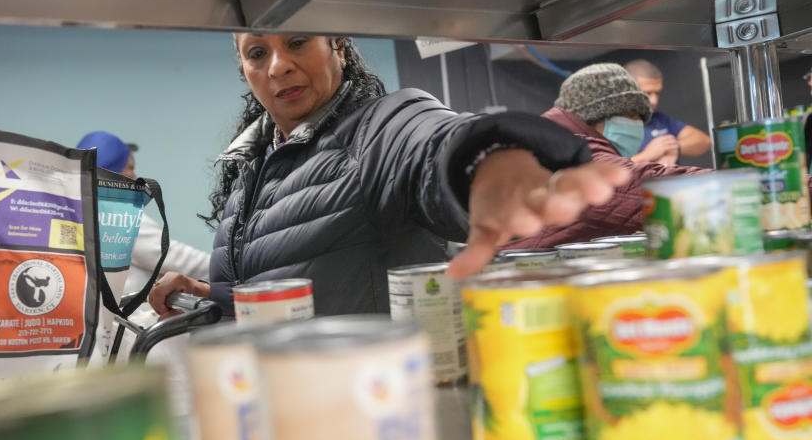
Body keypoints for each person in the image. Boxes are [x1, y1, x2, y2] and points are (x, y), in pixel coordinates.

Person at [148, 34, 628, 318]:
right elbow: (293, 282)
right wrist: (211, 294)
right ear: (243, 67)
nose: (278, 65)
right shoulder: (255, 166)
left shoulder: (380, 127)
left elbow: (429, 146)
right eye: (257, 53)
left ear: (336, 43)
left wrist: (483, 163)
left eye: (296, 41)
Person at [502, 63, 706, 249]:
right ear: (596, 115)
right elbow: (638, 188)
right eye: (632, 116)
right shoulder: (566, 153)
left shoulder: (553, 141)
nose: (638, 126)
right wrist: (733, 183)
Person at [75, 130, 211, 292]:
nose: (134, 175)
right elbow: (179, 261)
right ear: (111, 173)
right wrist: (229, 267)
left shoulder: (74, 212)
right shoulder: (117, 215)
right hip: (131, 315)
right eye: (130, 168)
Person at [624, 59, 712, 164]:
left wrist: (672, 148)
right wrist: (646, 156)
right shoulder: (607, 128)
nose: (654, 100)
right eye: (647, 93)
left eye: (657, 93)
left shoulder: (660, 119)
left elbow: (705, 141)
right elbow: (606, 171)